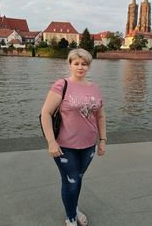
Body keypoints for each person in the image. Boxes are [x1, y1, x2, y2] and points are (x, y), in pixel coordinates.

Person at [41, 48, 107, 226]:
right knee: (71, 181)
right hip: (65, 146)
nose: (80, 67)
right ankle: (70, 218)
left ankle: (74, 208)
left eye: (84, 64)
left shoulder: (94, 88)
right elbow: (45, 113)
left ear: (89, 66)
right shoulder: (61, 85)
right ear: (70, 65)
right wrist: (51, 142)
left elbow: (100, 116)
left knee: (78, 178)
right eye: (76, 63)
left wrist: (102, 140)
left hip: (88, 145)